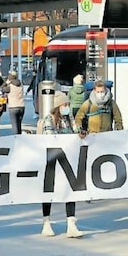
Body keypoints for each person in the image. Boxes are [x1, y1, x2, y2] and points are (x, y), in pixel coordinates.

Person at [40, 92, 83, 238]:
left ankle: (71, 223)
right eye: (65, 105)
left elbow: (76, 131)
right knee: (49, 192)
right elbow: (49, 139)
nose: (67, 108)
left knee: (70, 190)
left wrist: (81, 134)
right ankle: (46, 222)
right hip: (52, 161)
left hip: (68, 159)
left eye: (68, 105)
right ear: (58, 106)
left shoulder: (69, 119)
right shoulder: (49, 119)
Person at [2, 71, 25, 135]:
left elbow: (2, 88)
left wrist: (6, 83)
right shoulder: (21, 84)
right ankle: (20, 137)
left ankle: (16, 139)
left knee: (15, 127)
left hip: (13, 107)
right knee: (19, 124)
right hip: (22, 106)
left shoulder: (9, 87)